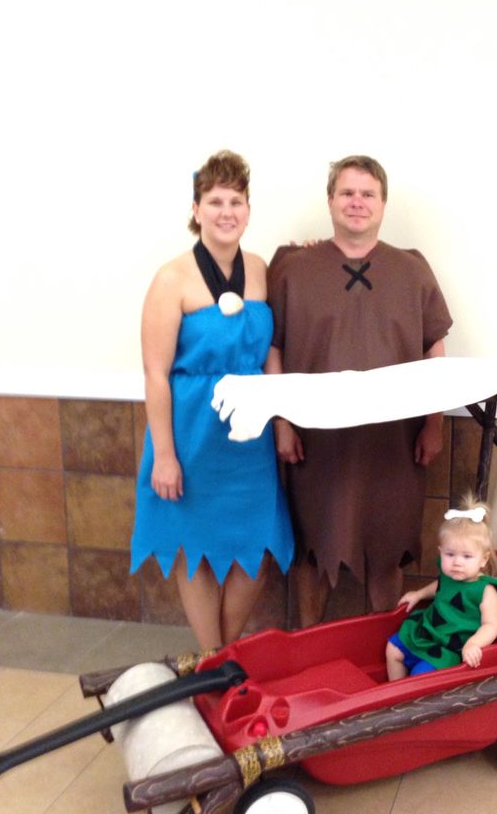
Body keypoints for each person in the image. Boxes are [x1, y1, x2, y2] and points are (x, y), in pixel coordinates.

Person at [266, 155, 452, 626]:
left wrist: (434, 423)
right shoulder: (293, 268)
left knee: (386, 548)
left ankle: (381, 655)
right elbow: (274, 348)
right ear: (330, 200)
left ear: (383, 204)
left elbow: (435, 349)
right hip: (317, 444)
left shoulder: (411, 270)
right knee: (313, 548)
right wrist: (282, 424)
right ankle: (309, 651)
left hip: (392, 443)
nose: (356, 202)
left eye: (367, 194)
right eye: (347, 192)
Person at [131, 150, 294, 650]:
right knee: (196, 552)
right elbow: (156, 374)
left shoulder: (261, 268)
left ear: (248, 209)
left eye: (237, 201)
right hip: (191, 433)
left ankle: (220, 656)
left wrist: (283, 423)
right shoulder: (172, 278)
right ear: (197, 209)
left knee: (257, 552)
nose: (227, 211)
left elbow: (270, 350)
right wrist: (164, 455)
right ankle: (214, 663)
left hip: (250, 440)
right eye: (216, 201)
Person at [386, 497, 497, 679]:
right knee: (393, 649)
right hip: (428, 633)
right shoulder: (449, 576)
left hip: (451, 648)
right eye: (450, 554)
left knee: (421, 675)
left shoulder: (485, 591)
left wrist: (473, 644)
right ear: (441, 552)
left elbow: (491, 625)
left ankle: (411, 700)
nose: (457, 562)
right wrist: (419, 594)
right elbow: (440, 586)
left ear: (483, 559)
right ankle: (393, 695)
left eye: (467, 557)